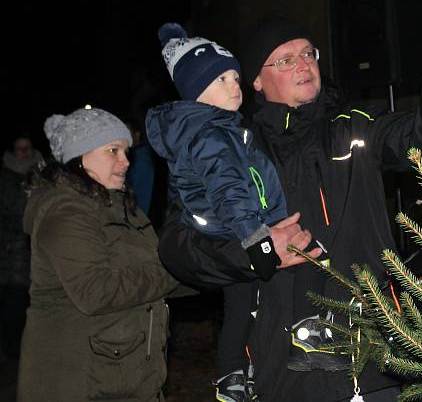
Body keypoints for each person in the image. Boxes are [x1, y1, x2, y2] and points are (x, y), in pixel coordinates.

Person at [157, 14, 422, 401]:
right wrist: (254, 253)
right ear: (256, 82)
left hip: (372, 364)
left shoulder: (355, 128)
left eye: (308, 53)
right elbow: (178, 247)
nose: (304, 64)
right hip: (277, 373)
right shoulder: (225, 151)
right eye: (285, 59)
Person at [146, 24, 319, 401]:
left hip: (238, 228)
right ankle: (236, 375)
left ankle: (245, 369)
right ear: (198, 92)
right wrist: (260, 242)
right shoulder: (211, 137)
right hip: (227, 230)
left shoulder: (227, 130)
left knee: (245, 302)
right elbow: (231, 195)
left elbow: (258, 180)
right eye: (222, 79)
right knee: (244, 302)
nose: (234, 86)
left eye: (236, 77)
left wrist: (274, 218)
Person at [17, 108, 179, 401]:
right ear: (79, 157)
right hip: (78, 384)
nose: (125, 161)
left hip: (127, 378)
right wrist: (176, 268)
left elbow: (151, 274)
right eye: (113, 151)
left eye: (126, 151)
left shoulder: (122, 207)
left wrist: (229, 264)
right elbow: (96, 292)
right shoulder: (66, 211)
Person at [0, 135, 40, 360]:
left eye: (28, 148)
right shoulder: (6, 178)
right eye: (19, 148)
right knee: (14, 303)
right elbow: (15, 213)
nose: (24, 153)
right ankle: (12, 350)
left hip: (34, 253)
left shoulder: (39, 175)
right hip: (11, 254)